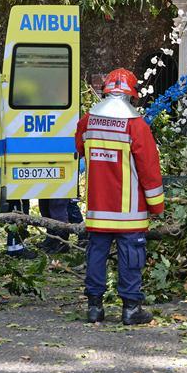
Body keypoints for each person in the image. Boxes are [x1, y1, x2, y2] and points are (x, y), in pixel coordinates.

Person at [75, 68, 165, 326]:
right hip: (129, 209)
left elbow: (79, 148)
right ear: (131, 95)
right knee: (131, 256)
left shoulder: (88, 120)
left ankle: (94, 308)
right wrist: (157, 205)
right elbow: (149, 169)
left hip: (97, 206)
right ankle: (130, 309)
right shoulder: (136, 125)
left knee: (96, 254)